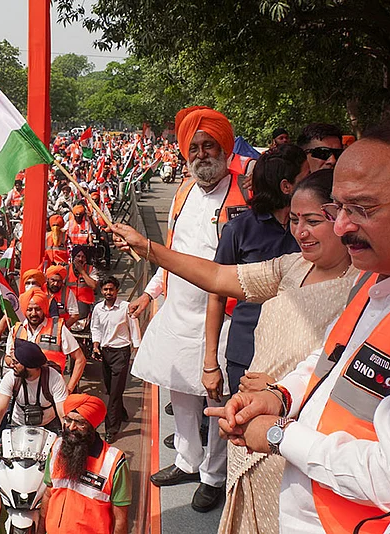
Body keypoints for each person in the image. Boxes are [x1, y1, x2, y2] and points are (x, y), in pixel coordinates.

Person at [204, 128, 390, 533]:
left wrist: (281, 436)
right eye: (339, 209)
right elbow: (331, 359)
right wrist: (279, 396)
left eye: (363, 209)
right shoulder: (378, 274)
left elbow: (387, 475)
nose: (341, 228)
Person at [112, 169, 356, 533]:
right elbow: (217, 277)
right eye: (294, 220)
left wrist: (279, 391)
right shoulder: (292, 267)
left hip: (297, 441)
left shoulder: (365, 289)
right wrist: (147, 248)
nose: (301, 232)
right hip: (250, 433)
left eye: (313, 221)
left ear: (342, 219)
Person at [127, 106, 246, 511]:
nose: (200, 154)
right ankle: (186, 459)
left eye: (208, 145)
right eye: (193, 147)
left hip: (224, 317)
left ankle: (213, 475)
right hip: (178, 311)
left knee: (217, 398)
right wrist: (151, 290)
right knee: (179, 390)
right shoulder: (183, 192)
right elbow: (173, 253)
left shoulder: (243, 194)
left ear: (224, 148)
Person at [207, 147, 305, 395]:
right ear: (287, 187)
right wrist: (210, 364)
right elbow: (216, 294)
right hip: (246, 354)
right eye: (306, 179)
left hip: (298, 356)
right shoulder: (239, 230)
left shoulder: (314, 230)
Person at [39, 394, 130, 534]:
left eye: (80, 423)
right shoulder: (56, 448)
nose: (71, 427)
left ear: (93, 425)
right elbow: (48, 493)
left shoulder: (114, 462)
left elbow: (120, 519)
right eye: (68, 420)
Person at [0, 339, 68, 446]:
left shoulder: (54, 378)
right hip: (18, 425)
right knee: (1, 459)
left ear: (29, 365)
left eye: (16, 362)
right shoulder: (11, 377)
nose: (11, 365)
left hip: (48, 426)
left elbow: (63, 414)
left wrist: (68, 439)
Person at [90, 277, 141, 443]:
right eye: (105, 290)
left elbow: (134, 326)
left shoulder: (126, 307)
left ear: (116, 290)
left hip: (121, 353)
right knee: (111, 389)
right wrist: (96, 346)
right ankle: (122, 412)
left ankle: (111, 428)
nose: (108, 293)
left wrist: (137, 348)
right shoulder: (98, 308)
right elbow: (95, 328)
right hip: (105, 353)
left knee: (114, 394)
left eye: (111, 289)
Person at [7, 288, 86, 394]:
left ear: (44, 309)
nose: (33, 313)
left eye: (38, 309)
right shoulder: (16, 330)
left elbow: (80, 359)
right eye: (29, 309)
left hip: (51, 389)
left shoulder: (58, 328)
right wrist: (12, 362)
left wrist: (69, 388)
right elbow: (7, 357)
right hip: (22, 389)